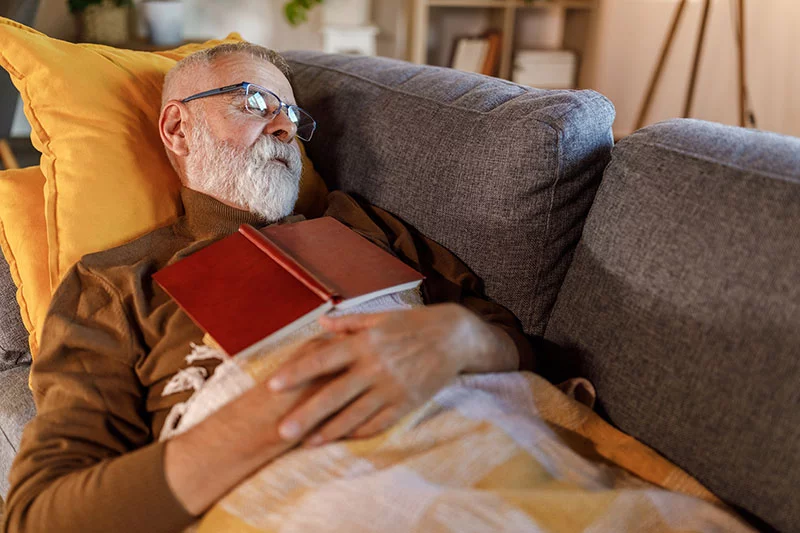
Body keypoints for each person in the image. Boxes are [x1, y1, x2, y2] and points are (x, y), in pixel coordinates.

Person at [2, 43, 531, 533]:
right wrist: (291, 407)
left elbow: (509, 336)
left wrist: (460, 339)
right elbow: (40, 513)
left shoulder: (359, 224)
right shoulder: (116, 281)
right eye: (255, 102)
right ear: (178, 128)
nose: (285, 127)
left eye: (294, 115)